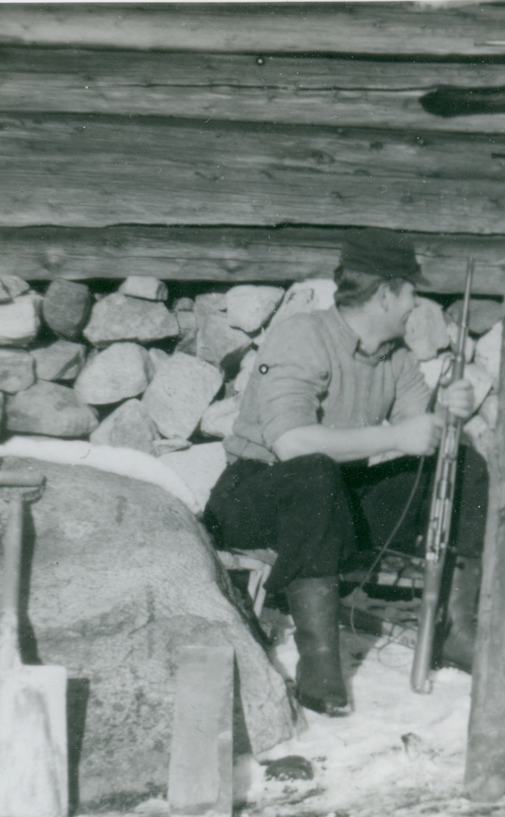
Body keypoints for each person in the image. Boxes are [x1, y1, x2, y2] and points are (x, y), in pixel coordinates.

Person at [205, 229, 486, 716]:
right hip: (256, 494)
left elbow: (422, 435)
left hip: (332, 498)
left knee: (462, 466)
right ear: (384, 294)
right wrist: (398, 438)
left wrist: (446, 414)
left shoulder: (394, 357)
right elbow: (292, 443)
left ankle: (453, 629)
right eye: (410, 294)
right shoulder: (302, 335)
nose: (414, 307)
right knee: (314, 472)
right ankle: (319, 660)